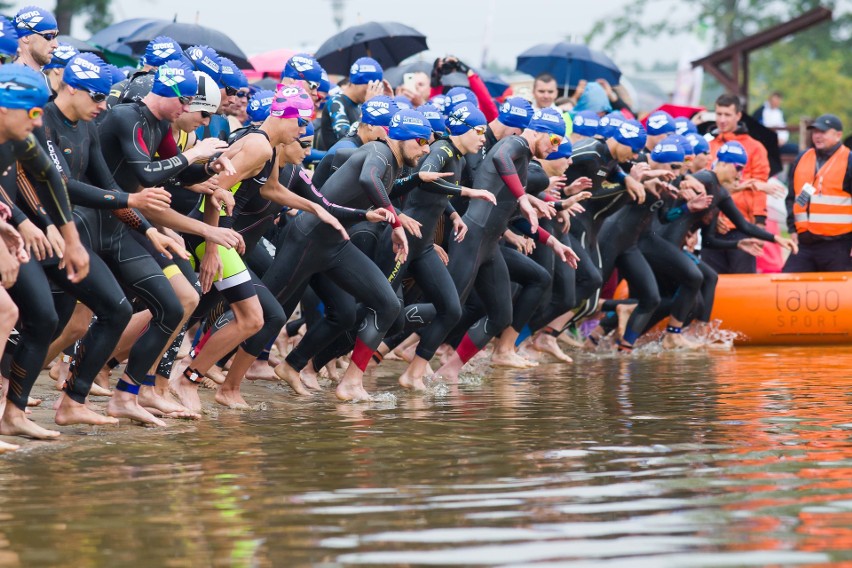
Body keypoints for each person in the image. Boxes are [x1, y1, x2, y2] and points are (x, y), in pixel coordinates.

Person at [703, 93, 783, 274]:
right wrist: (708, 216)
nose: (722, 119)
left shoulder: (755, 147)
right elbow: (704, 184)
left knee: (743, 281)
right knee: (712, 282)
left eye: (727, 114)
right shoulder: (708, 145)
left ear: (738, 116)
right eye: (718, 114)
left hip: (741, 225)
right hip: (713, 226)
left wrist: (760, 223)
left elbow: (760, 185)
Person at [784, 114, 852, 273]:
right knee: (789, 288)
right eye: (815, 131)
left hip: (838, 245)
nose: (817, 136)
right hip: (805, 243)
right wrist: (792, 228)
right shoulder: (802, 158)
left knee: (839, 294)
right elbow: (792, 198)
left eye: (823, 131)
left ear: (838, 135)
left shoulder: (849, 160)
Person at [318, 57, 384, 150]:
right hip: (337, 162)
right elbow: (346, 138)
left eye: (377, 86)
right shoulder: (336, 102)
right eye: (372, 86)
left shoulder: (360, 105)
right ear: (356, 82)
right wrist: (368, 108)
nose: (373, 90)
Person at [13, 5, 58, 72]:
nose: (56, 45)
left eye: (55, 36)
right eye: (48, 36)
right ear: (26, 37)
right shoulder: (8, 76)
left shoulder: (43, 79)